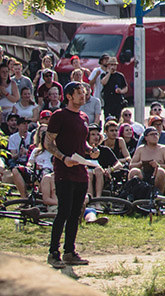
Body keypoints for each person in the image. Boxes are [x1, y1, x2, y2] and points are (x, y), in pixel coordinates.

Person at [44, 81, 94, 268]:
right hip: (64, 171)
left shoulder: (84, 117)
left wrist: (90, 150)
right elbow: (48, 142)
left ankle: (69, 252)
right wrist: (63, 158)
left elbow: (82, 142)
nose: (83, 95)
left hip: (81, 171)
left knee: (76, 213)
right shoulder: (59, 116)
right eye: (79, 92)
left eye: (84, 92)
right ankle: (53, 252)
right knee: (64, 211)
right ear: (69, 96)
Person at [127, 125, 165, 192]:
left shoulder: (164, 149)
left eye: (156, 134)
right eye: (152, 134)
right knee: (134, 171)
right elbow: (131, 166)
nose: (155, 136)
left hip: (158, 174)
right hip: (143, 174)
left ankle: (158, 194)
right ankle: (134, 194)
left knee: (161, 171)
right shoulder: (140, 149)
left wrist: (158, 165)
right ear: (146, 137)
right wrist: (141, 163)